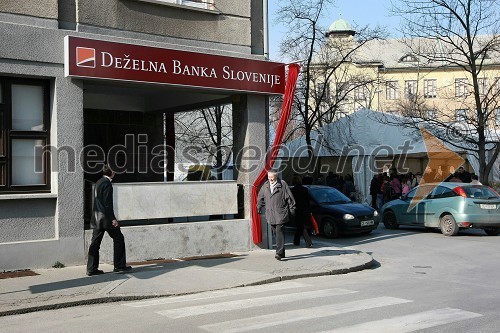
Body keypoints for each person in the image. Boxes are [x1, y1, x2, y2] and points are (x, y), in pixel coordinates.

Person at [87, 164, 132, 276]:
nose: (115, 173)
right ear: (111, 173)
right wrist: (113, 219)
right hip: (106, 219)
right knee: (119, 238)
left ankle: (91, 269)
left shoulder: (98, 182)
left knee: (95, 243)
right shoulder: (107, 184)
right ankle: (119, 266)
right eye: (114, 171)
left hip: (97, 218)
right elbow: (107, 203)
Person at [257, 170, 296, 261]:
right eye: (268, 177)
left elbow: (290, 198)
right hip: (270, 213)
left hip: (280, 212)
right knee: (275, 233)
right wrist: (259, 206)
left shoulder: (282, 184)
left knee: (279, 231)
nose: (270, 179)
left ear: (276, 177)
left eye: (271, 177)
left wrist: (292, 209)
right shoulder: (266, 185)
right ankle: (282, 252)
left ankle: (278, 253)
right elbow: (260, 197)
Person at [291, 176, 313, 248]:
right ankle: (299, 241)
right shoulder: (305, 189)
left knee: (300, 226)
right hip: (305, 209)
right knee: (303, 226)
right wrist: (310, 210)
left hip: (297, 209)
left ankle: (307, 241)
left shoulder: (293, 190)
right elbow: (307, 200)